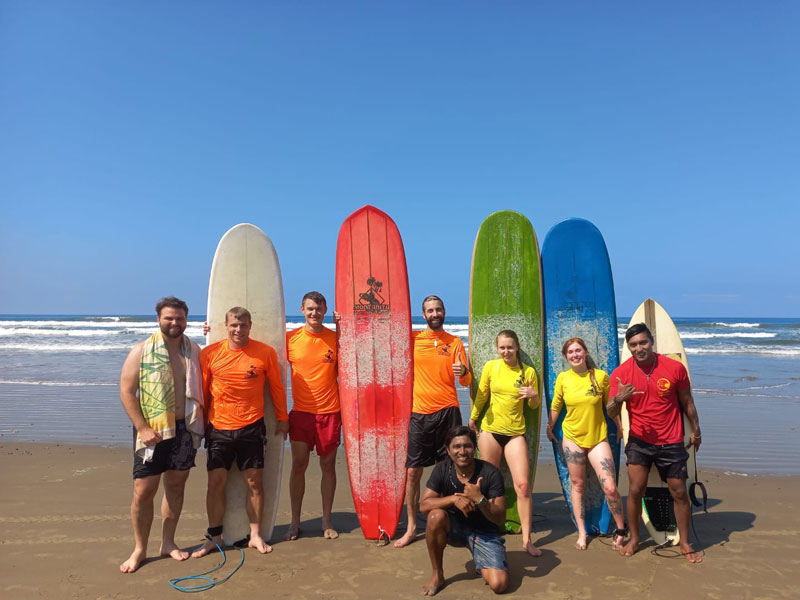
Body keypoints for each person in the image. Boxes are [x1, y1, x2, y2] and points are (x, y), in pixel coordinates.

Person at [192, 307, 288, 557]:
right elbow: (202, 391)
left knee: (255, 483)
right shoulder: (210, 353)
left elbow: (277, 387)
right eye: (234, 325)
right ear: (226, 325)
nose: (238, 329)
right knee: (215, 483)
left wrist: (283, 417)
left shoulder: (264, 353)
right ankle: (214, 536)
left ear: (250, 325)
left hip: (252, 428)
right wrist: (200, 426)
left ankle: (255, 535)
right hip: (218, 429)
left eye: (243, 325)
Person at [118, 296, 205, 573]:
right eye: (169, 318)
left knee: (176, 486)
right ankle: (139, 548)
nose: (174, 322)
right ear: (159, 319)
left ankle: (168, 542)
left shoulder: (194, 351)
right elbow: (126, 391)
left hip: (184, 429)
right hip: (152, 430)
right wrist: (142, 428)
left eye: (179, 318)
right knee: (144, 491)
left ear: (186, 320)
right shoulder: (142, 351)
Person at [606, 323, 703, 563]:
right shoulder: (621, 373)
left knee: (679, 492)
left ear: (652, 342)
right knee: (636, 490)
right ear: (628, 347)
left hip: (671, 440)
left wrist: (697, 431)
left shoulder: (674, 368)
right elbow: (610, 410)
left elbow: (687, 402)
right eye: (633, 345)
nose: (639, 348)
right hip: (639, 440)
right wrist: (620, 398)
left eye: (643, 342)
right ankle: (636, 538)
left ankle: (686, 541)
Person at [394, 295, 471, 548]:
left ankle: (448, 522)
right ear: (423, 314)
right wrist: (342, 321)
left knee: (449, 470)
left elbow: (466, 381)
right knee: (413, 471)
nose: (435, 313)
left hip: (448, 411)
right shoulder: (413, 339)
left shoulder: (455, 342)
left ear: (444, 311)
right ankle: (413, 527)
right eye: (430, 310)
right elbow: (383, 333)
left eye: (438, 309)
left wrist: (464, 372)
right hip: (419, 414)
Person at [545, 337, 626, 550]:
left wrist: (619, 426)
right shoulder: (563, 378)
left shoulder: (600, 377)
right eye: (570, 352)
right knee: (578, 485)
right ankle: (581, 532)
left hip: (598, 438)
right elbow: (556, 404)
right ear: (566, 356)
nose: (574, 355)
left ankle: (620, 528)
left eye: (578, 350)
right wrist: (550, 426)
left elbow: (610, 405)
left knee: (610, 487)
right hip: (572, 438)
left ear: (585, 351)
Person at [468, 329, 542, 557]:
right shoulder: (491, 367)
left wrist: (533, 395)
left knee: (523, 487)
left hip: (515, 434)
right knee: (485, 485)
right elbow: (482, 394)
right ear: (497, 348)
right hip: (490, 431)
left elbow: (534, 406)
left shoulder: (528, 372)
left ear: (517, 347)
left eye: (510, 347)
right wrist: (473, 417)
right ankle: (485, 531)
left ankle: (527, 540)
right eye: (502, 347)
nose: (506, 351)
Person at [420, 426, 508, 596]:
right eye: (456, 447)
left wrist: (480, 500)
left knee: (499, 585)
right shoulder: (442, 469)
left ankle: (485, 559)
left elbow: (500, 518)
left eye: (467, 446)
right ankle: (438, 574)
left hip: (485, 532)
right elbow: (424, 505)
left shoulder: (490, 473)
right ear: (448, 450)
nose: (462, 451)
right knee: (435, 516)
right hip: (455, 529)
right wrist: (453, 499)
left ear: (474, 448)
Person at [285, 291, 341, 541]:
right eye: (309, 309)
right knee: (298, 466)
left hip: (330, 413)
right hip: (301, 414)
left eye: (318, 309)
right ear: (302, 309)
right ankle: (295, 522)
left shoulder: (336, 338)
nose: (314, 313)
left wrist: (345, 323)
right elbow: (257, 345)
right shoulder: (290, 339)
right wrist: (212, 331)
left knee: (328, 466)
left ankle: (326, 521)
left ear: (325, 309)